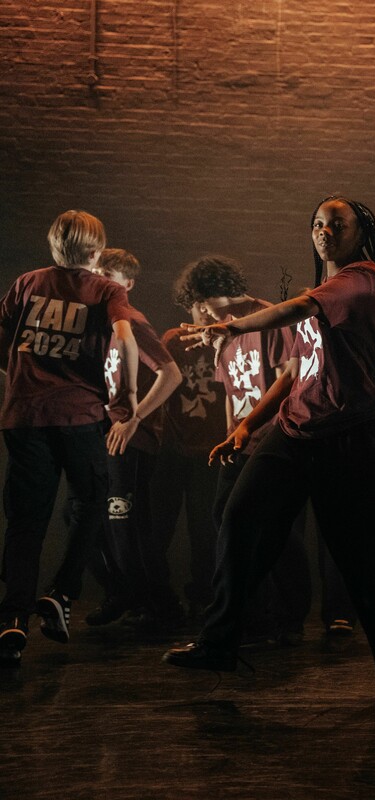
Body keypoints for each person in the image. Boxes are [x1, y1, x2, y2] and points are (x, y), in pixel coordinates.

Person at [163, 196, 375, 703]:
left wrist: (233, 325)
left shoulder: (363, 278)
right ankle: (219, 642)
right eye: (318, 224)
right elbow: (296, 370)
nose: (325, 231)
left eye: (336, 224)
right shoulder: (320, 289)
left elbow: (299, 309)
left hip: (351, 435)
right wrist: (248, 423)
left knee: (363, 556)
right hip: (295, 430)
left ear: (359, 232)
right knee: (238, 519)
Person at [0, 210, 138, 666]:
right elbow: (124, 337)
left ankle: (13, 617)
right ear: (96, 251)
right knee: (94, 498)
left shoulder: (27, 282)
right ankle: (61, 593)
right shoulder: (105, 289)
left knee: (26, 518)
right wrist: (130, 397)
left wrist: (20, 378)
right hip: (78, 415)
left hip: (23, 417)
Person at [176, 255, 318, 643]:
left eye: (201, 303)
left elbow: (289, 379)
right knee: (226, 517)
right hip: (241, 441)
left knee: (274, 526)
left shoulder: (268, 319)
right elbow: (229, 391)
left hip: (274, 438)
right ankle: (249, 613)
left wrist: (249, 426)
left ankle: (289, 616)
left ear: (209, 296)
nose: (200, 314)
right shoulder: (223, 334)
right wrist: (230, 433)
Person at [88, 248, 185, 632]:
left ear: (127, 284)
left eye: (108, 276)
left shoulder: (133, 321)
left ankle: (161, 604)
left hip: (132, 440)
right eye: (96, 274)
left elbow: (171, 374)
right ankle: (127, 593)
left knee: (126, 522)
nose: (101, 282)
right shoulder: (104, 324)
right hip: (105, 437)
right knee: (90, 518)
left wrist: (134, 419)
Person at [145, 292, 226, 623]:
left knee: (204, 529)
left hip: (210, 449)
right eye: (199, 304)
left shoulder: (230, 335)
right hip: (174, 447)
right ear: (189, 306)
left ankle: (203, 598)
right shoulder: (174, 338)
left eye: (211, 304)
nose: (205, 311)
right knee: (157, 526)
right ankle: (157, 600)